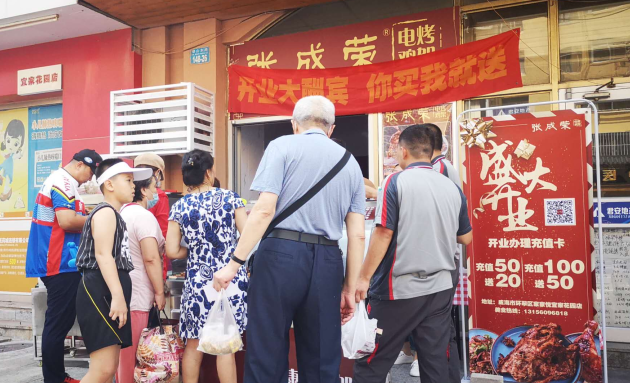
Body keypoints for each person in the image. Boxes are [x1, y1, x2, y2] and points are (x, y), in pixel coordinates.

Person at [213, 95, 366, 383]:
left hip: (279, 256)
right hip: (328, 261)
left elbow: (263, 210)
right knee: (322, 357)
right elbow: (357, 234)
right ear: (331, 128)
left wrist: (233, 265)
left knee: (267, 351)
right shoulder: (350, 163)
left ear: (294, 124)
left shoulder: (281, 146)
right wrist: (350, 286)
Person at [353, 125, 472, 383]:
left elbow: (383, 234)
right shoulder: (451, 186)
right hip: (439, 288)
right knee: (435, 361)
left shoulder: (394, 182)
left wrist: (363, 278)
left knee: (371, 361)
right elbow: (465, 237)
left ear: (403, 151)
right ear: (429, 153)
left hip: (399, 289)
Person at [165, 149, 247, 383]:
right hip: (229, 279)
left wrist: (193, 250)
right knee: (226, 343)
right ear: (209, 173)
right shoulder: (232, 198)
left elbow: (172, 250)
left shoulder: (180, 207)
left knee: (193, 343)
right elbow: (248, 236)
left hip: (198, 281)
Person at [25, 149, 102, 383]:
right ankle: (54, 378)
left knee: (61, 321)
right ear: (79, 164)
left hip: (61, 261)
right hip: (57, 262)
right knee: (58, 323)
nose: (91, 178)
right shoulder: (63, 182)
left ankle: (57, 375)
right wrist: (99, 217)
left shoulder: (65, 183)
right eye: (91, 171)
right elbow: (67, 220)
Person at [74, 159, 153, 383]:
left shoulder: (114, 213)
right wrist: (117, 297)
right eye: (128, 180)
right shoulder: (106, 212)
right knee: (103, 369)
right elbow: (102, 255)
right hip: (100, 290)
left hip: (107, 290)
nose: (133, 186)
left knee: (108, 369)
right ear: (109, 184)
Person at [116, 173, 166, 383]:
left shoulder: (120, 214)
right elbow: (151, 258)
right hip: (138, 296)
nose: (156, 192)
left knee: (121, 358)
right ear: (143, 190)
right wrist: (159, 291)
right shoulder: (143, 216)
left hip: (120, 294)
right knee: (133, 357)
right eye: (154, 186)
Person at [134, 154, 170, 278]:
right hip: (153, 262)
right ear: (158, 173)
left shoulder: (126, 195)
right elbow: (163, 235)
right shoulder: (159, 196)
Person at [0, 119, 25, 201]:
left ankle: (6, 192)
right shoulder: (7, 154)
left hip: (9, 166)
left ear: (20, 145)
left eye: (16, 144)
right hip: (5, 164)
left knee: (7, 177)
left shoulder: (13, 156)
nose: (10, 146)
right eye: (8, 140)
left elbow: (20, 154)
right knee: (2, 171)